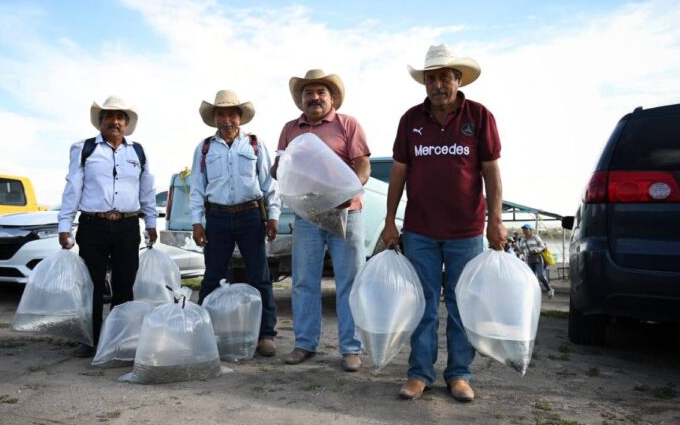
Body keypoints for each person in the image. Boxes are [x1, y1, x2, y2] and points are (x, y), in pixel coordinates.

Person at [381, 44, 507, 402]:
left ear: (458, 79)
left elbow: (491, 172)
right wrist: (390, 220)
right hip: (419, 229)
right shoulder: (410, 120)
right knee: (421, 303)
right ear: (425, 82)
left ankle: (459, 375)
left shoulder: (479, 117)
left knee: (461, 304)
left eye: (444, 77)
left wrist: (494, 219)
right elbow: (399, 173)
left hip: (465, 231)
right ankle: (419, 373)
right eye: (431, 78)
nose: (437, 84)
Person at [271, 69, 371, 372]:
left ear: (332, 98)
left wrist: (350, 190)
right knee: (303, 281)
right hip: (308, 213)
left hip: (346, 211)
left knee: (350, 281)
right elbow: (278, 168)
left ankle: (351, 348)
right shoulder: (291, 129)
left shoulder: (348, 124)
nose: (314, 98)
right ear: (301, 100)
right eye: (308, 93)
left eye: (320, 93)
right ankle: (304, 344)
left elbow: (363, 166)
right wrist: (283, 167)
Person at [58, 95, 157, 358]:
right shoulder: (84, 149)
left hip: (127, 226)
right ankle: (90, 338)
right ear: (100, 122)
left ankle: (119, 337)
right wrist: (64, 224)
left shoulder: (138, 151)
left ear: (126, 124)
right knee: (91, 283)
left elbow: (147, 189)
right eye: (110, 117)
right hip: (93, 225)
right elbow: (73, 187)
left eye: (120, 118)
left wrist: (150, 222)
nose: (115, 122)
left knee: (125, 283)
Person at [189, 90, 281, 357]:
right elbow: (197, 187)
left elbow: (268, 183)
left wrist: (272, 216)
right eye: (221, 114)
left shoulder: (254, 144)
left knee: (259, 277)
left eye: (232, 114)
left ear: (240, 117)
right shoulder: (204, 148)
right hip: (216, 218)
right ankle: (202, 332)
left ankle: (266, 334)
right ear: (214, 118)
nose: (227, 119)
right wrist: (197, 222)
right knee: (212, 277)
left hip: (250, 217)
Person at [518, 224, 554, 298]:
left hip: (538, 257)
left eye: (526, 229)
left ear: (530, 230)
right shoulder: (522, 240)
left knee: (540, 275)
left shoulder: (535, 237)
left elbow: (542, 246)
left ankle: (549, 289)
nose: (524, 230)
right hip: (529, 259)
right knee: (532, 277)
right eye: (523, 229)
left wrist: (536, 250)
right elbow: (521, 250)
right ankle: (534, 292)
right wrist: (518, 251)